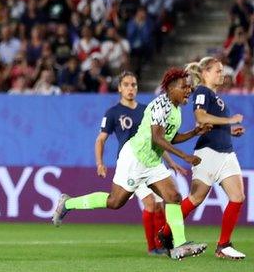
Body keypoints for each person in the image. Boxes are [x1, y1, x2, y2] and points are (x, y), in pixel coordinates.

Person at [52, 67, 211, 260]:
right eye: (185, 87)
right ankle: (68, 202)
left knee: (174, 197)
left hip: (152, 162)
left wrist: (194, 133)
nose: (189, 91)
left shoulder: (176, 109)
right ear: (171, 88)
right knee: (115, 202)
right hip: (134, 159)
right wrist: (184, 157)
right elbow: (157, 138)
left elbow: (171, 137)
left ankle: (179, 245)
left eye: (189, 88)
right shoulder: (161, 105)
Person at [157, 57, 246, 259]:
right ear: (205, 73)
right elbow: (201, 117)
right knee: (196, 198)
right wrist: (230, 120)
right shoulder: (202, 92)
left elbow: (212, 124)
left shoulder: (216, 97)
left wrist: (230, 130)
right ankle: (166, 232)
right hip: (208, 153)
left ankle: (223, 245)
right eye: (217, 70)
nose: (222, 74)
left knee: (238, 197)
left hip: (226, 152)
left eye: (222, 70)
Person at [95, 71, 186, 255]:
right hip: (131, 163)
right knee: (149, 202)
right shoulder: (113, 113)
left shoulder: (147, 109)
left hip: (152, 161)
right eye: (127, 85)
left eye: (134, 85)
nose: (131, 88)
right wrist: (100, 162)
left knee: (164, 202)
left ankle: (164, 245)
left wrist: (170, 161)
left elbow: (157, 139)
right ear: (120, 88)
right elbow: (101, 139)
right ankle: (153, 247)